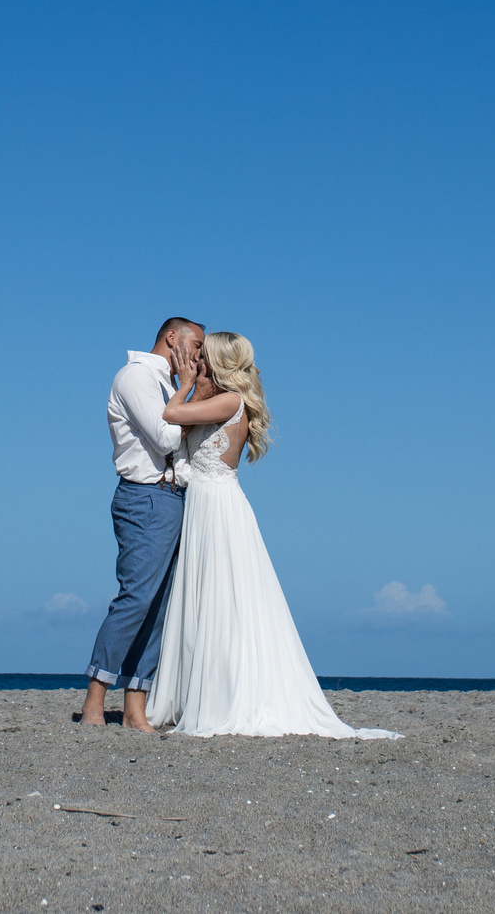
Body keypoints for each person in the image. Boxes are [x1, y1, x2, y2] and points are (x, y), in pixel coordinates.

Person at [145, 331, 399, 738]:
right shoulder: (216, 401)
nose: (197, 362)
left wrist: (187, 384)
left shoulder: (230, 402)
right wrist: (193, 387)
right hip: (205, 503)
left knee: (223, 596)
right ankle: (194, 693)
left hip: (217, 505)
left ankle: (224, 696)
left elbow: (170, 416)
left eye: (203, 357)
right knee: (204, 594)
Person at [77, 316, 202, 733]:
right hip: (144, 496)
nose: (201, 354)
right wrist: (186, 390)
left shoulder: (170, 385)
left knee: (159, 607)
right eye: (196, 344)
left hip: (174, 497)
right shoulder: (135, 377)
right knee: (135, 598)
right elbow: (165, 439)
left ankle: (135, 708)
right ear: (173, 338)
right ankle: (94, 700)